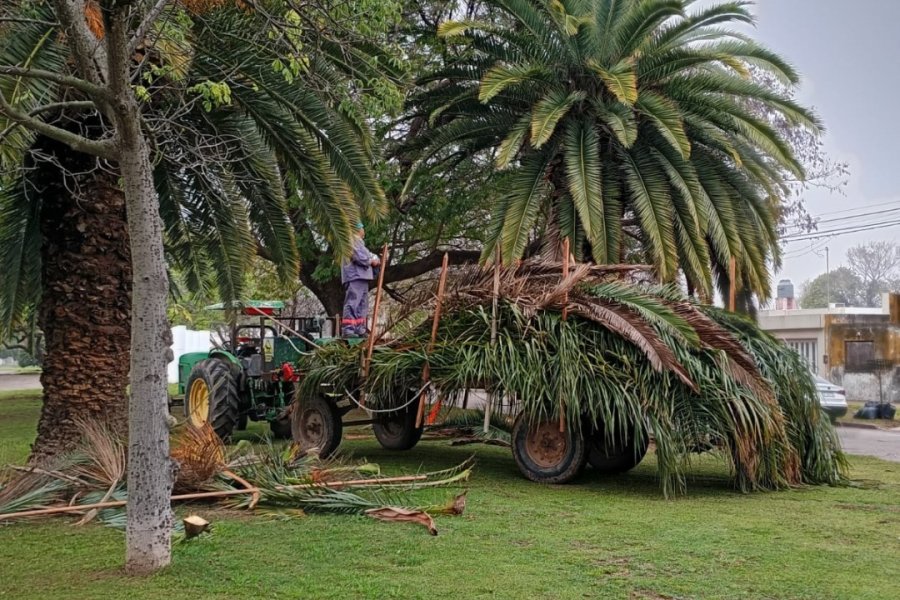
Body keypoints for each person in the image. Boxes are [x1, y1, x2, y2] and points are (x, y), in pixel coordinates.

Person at [340, 222, 380, 337]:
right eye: (363, 228)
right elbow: (358, 256)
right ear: (358, 229)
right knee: (353, 302)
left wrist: (375, 259)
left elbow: (368, 255)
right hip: (355, 276)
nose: (364, 231)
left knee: (362, 304)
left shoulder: (360, 243)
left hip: (361, 276)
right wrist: (371, 261)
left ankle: (359, 328)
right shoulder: (352, 240)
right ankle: (348, 329)